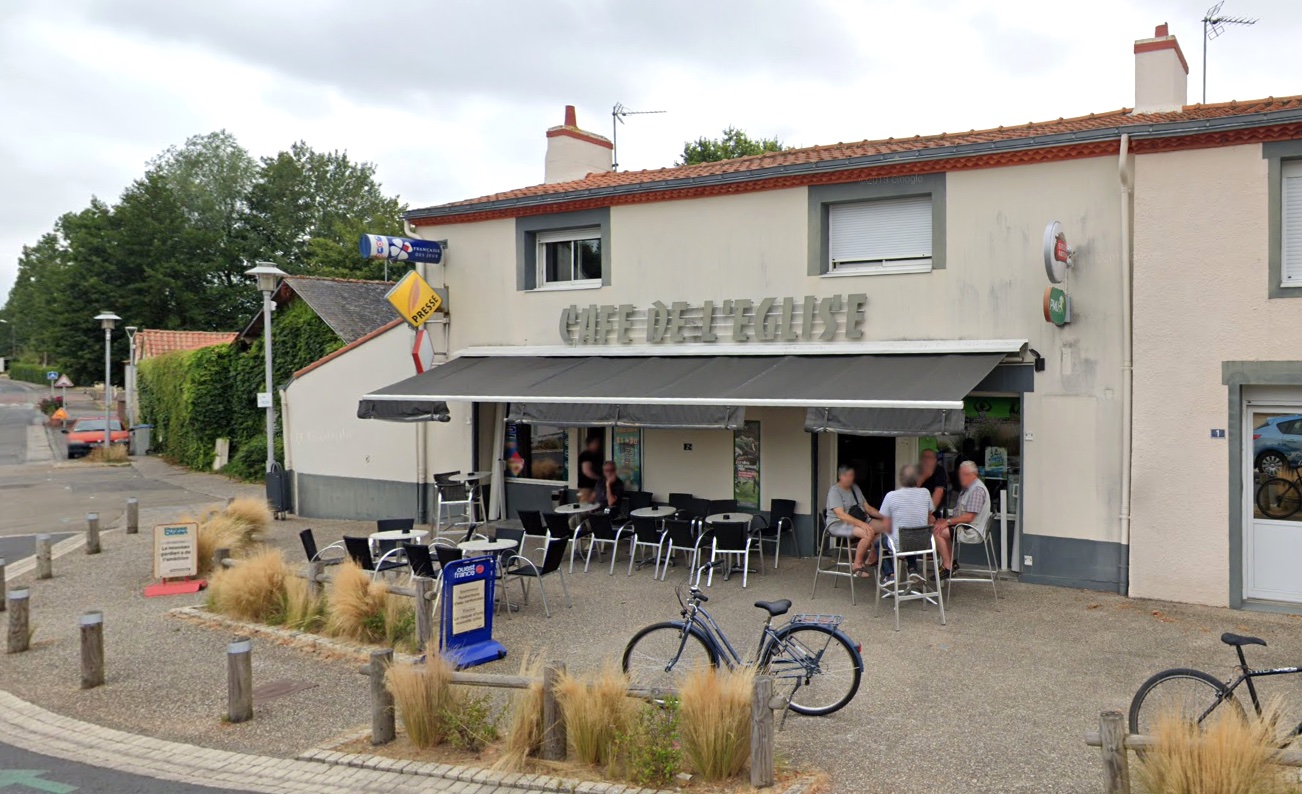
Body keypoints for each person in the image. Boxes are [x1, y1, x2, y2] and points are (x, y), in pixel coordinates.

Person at [869, 463, 936, 585]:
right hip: (922, 543)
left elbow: (885, 520)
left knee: (879, 543)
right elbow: (930, 512)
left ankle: (890, 574)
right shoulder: (925, 493)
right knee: (910, 535)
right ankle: (912, 569)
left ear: (901, 480)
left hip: (900, 543)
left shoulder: (891, 496)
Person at [931, 461, 992, 579]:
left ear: (973, 474)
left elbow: (969, 517)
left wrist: (947, 522)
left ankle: (947, 566)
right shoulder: (970, 488)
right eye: (960, 474)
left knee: (937, 531)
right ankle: (950, 562)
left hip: (971, 531)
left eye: (963, 474)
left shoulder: (976, 490)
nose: (960, 477)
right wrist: (946, 521)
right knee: (940, 526)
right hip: (966, 527)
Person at [826, 464, 883, 576]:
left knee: (886, 527)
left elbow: (867, 507)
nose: (850, 478)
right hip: (838, 524)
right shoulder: (834, 491)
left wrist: (885, 517)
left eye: (852, 475)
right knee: (867, 533)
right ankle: (857, 565)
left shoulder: (855, 487)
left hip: (859, 518)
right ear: (840, 476)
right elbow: (841, 515)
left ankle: (872, 556)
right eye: (846, 475)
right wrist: (862, 525)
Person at [919, 448, 947, 520]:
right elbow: (910, 490)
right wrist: (924, 476)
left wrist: (928, 513)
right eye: (924, 457)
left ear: (935, 460)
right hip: (917, 508)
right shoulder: (917, 470)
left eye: (929, 458)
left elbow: (938, 492)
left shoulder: (939, 470)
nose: (926, 460)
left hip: (934, 510)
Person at [576, 435, 603, 504]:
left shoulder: (595, 456)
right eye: (596, 442)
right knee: (585, 506)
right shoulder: (586, 455)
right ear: (590, 443)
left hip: (592, 487)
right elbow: (587, 471)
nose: (598, 445)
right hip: (586, 487)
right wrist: (600, 478)